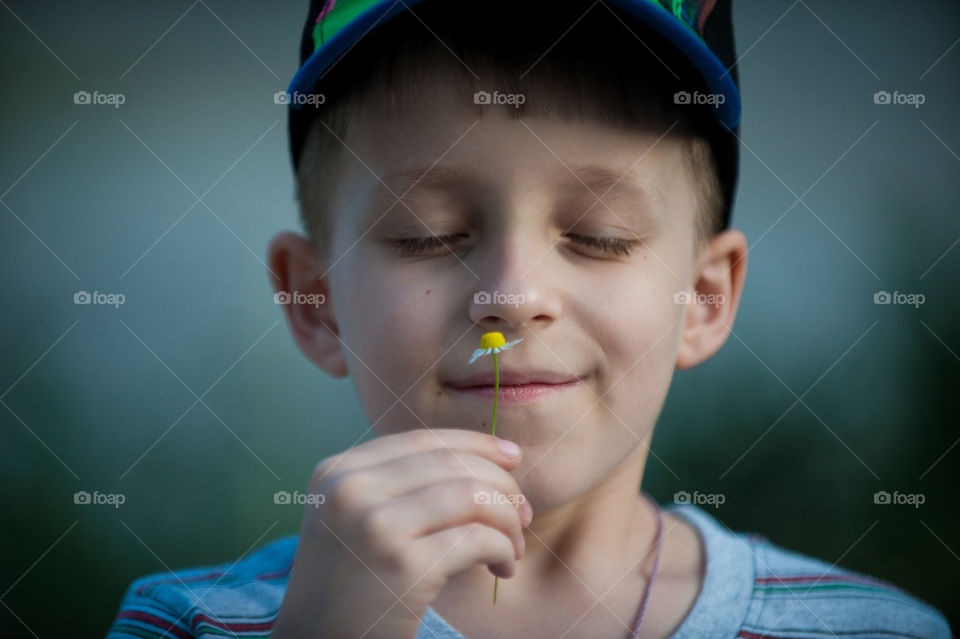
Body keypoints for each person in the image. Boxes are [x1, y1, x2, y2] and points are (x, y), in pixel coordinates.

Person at [106, 1, 953, 637]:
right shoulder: (183, 620)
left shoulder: (872, 628)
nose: (510, 295)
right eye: (427, 234)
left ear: (703, 298)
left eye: (598, 236)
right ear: (315, 299)